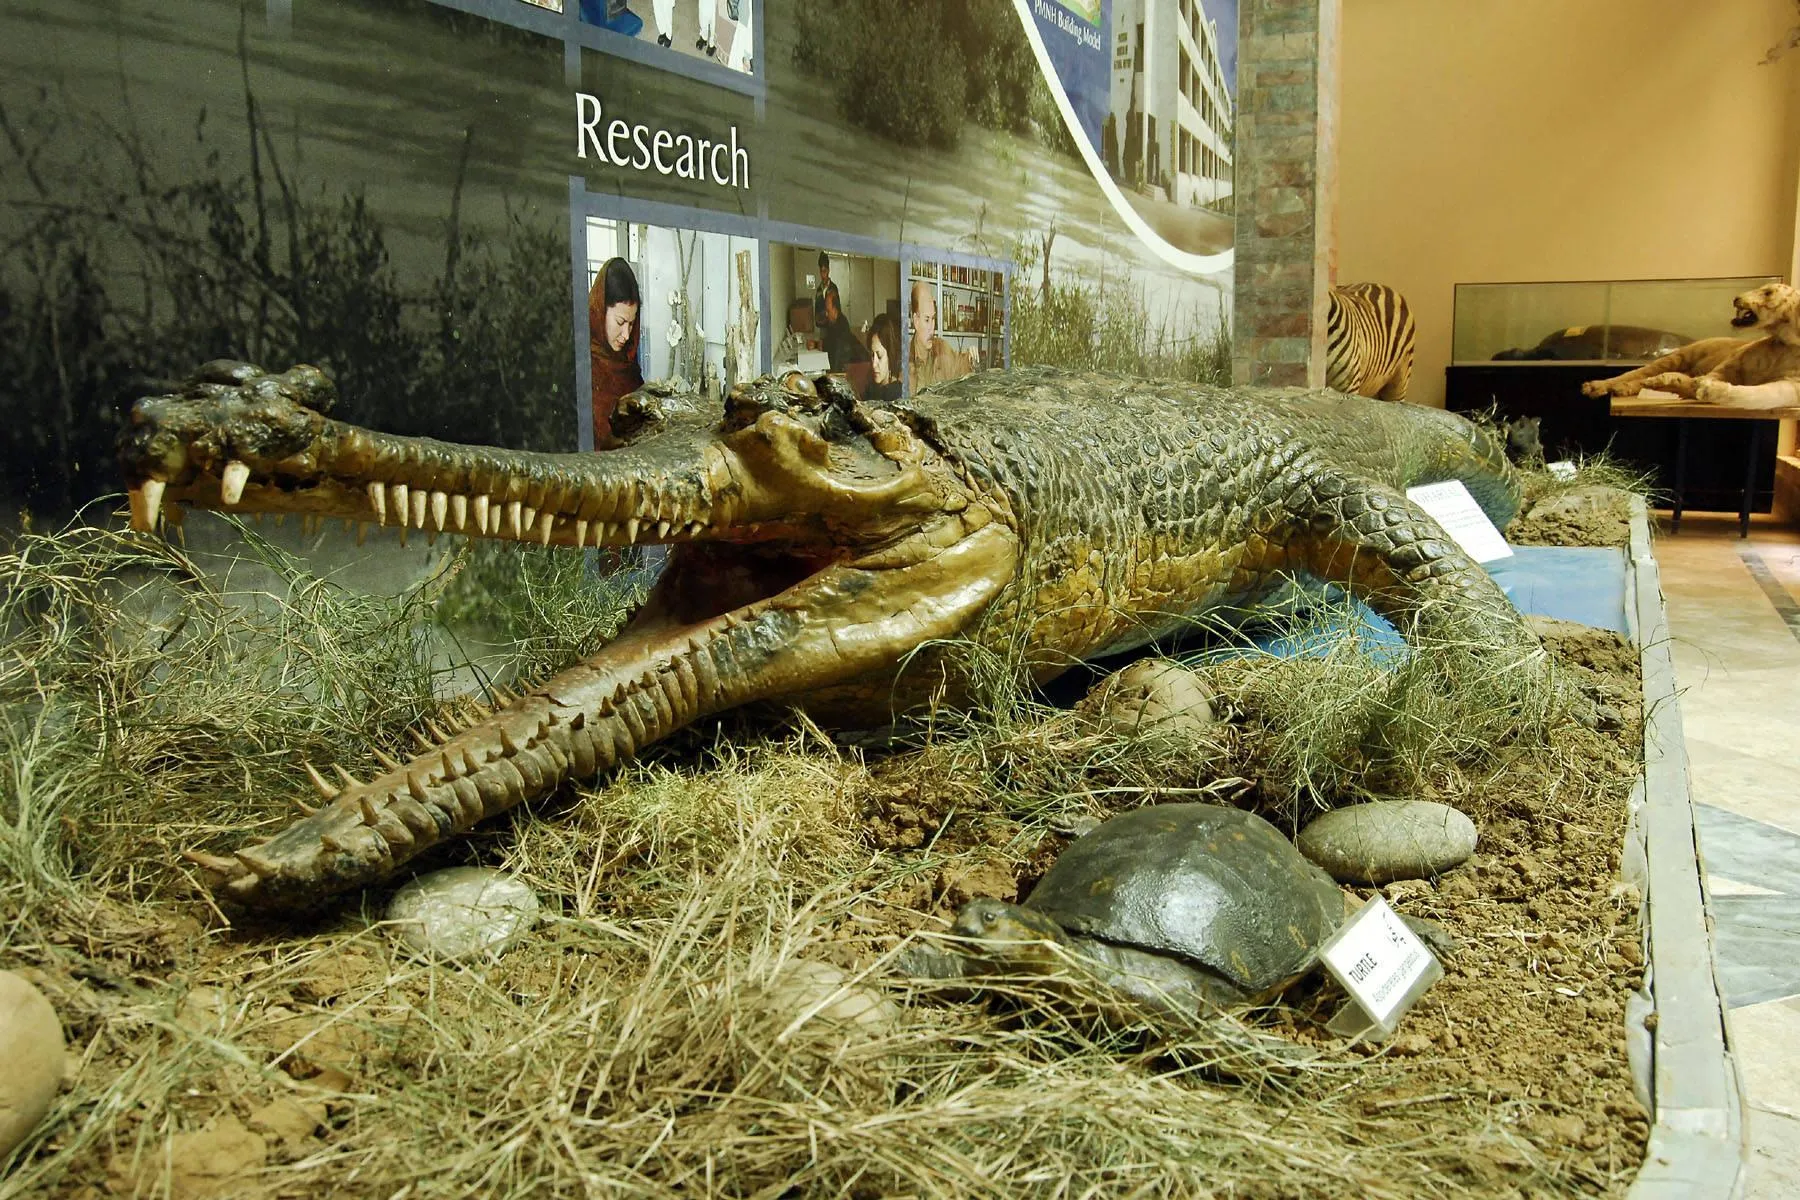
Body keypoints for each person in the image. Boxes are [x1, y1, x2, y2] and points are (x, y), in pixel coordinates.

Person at [589, 257, 642, 449]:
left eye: (632, 323)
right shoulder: (583, 365)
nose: (626, 335)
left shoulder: (627, 364)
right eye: (620, 322)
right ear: (600, 312)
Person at [908, 279, 975, 391]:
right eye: (927, 320)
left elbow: (959, 365)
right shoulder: (905, 360)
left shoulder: (941, 348)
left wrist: (971, 358)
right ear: (916, 321)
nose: (932, 328)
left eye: (933, 318)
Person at [817, 285, 868, 372]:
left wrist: (821, 344)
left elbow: (836, 353)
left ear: (835, 309)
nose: (826, 314)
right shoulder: (832, 321)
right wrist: (816, 343)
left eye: (828, 311)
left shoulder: (841, 326)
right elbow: (829, 341)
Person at [867, 312, 903, 402]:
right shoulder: (873, 388)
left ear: (891, 356)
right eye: (872, 355)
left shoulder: (895, 394)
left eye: (879, 356)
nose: (874, 364)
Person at [813, 251, 834, 329]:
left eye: (824, 271)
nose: (823, 275)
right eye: (821, 271)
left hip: (832, 327)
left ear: (828, 271)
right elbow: (817, 309)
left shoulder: (833, 288)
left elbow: (837, 310)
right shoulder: (819, 290)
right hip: (822, 326)